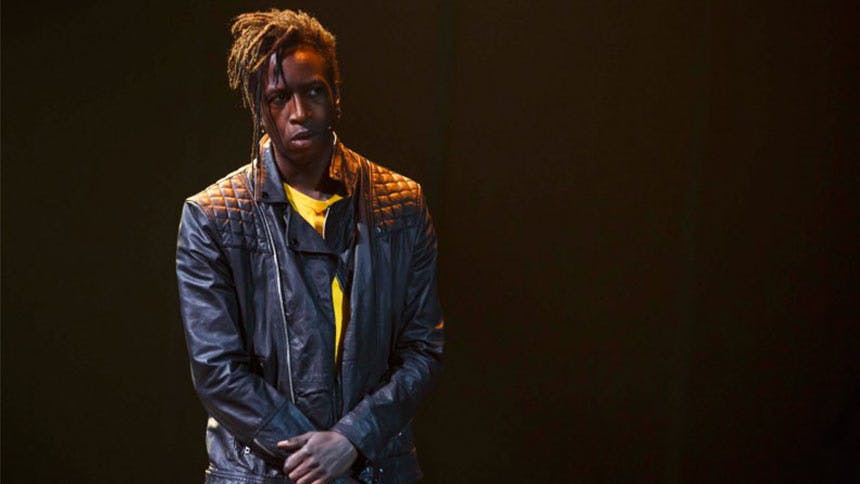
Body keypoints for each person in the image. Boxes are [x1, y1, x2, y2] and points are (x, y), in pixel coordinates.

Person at [176, 9, 444, 484]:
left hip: (379, 469)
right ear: (259, 108)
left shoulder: (400, 204)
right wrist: (318, 457)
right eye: (279, 98)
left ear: (335, 94)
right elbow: (217, 370)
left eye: (313, 92)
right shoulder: (213, 217)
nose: (299, 112)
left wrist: (351, 440)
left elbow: (422, 349)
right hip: (262, 473)